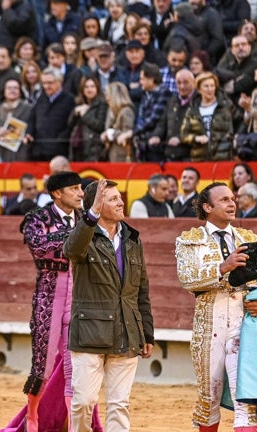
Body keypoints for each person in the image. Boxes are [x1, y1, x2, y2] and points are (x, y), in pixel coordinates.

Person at [0, 171, 86, 432]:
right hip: (49, 297)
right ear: (58, 193)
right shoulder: (39, 218)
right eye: (75, 189)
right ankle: (33, 418)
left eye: (81, 188)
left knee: (74, 366)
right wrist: (76, 234)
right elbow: (38, 246)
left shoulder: (84, 219)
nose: (81, 193)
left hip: (78, 298)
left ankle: (73, 426)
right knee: (43, 367)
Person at [64, 178, 154, 432]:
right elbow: (71, 250)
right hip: (90, 332)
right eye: (112, 198)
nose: (120, 202)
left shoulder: (132, 239)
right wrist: (90, 215)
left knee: (119, 405)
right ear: (97, 204)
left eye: (119, 197)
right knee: (83, 402)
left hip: (127, 330)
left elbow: (141, 290)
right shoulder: (84, 235)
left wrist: (147, 332)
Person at [175, 181, 257, 431]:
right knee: (209, 397)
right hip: (208, 328)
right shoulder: (189, 240)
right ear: (207, 206)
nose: (232, 202)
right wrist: (222, 268)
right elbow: (187, 277)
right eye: (224, 199)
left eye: (232, 198)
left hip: (242, 323)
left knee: (245, 397)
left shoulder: (249, 238)